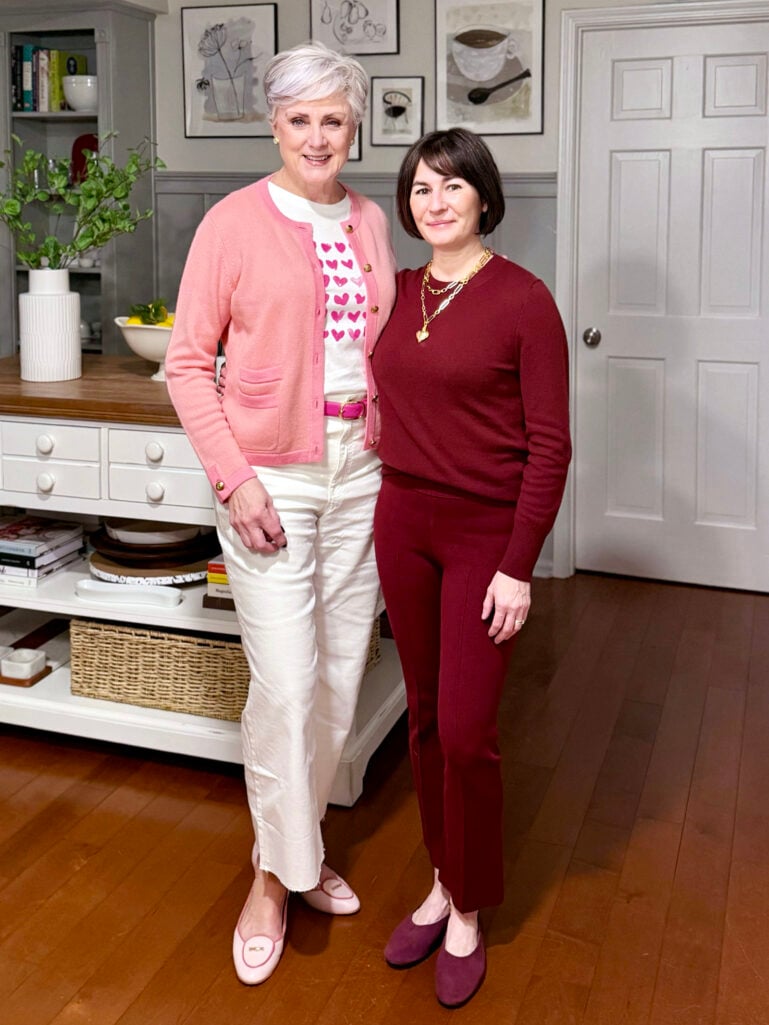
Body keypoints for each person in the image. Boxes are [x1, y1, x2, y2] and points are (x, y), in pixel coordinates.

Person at [165, 41, 396, 986]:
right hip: (273, 477)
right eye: (299, 118)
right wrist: (238, 480)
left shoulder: (374, 219)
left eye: (333, 118)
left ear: (354, 127)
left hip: (362, 473)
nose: (317, 136)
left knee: (342, 678)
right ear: (274, 124)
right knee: (288, 684)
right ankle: (271, 876)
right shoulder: (231, 221)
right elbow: (187, 363)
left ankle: (298, 853)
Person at [371, 128, 571, 1008]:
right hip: (400, 519)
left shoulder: (525, 301)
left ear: (483, 197)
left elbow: (551, 447)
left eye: (452, 185)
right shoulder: (399, 289)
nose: (435, 201)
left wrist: (518, 566)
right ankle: (442, 875)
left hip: (485, 536)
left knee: (464, 730)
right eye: (419, 189)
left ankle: (469, 906)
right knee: (419, 716)